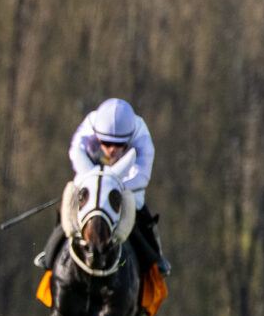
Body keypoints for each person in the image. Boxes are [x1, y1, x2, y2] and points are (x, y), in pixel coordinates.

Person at [36, 97, 170, 276]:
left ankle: (155, 258)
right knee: (71, 205)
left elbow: (142, 176)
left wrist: (113, 186)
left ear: (129, 138)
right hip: (90, 178)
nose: (112, 149)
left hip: (126, 186)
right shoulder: (91, 123)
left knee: (137, 211)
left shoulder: (141, 134)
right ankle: (51, 252)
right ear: (98, 136)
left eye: (119, 144)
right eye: (106, 143)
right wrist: (95, 181)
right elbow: (76, 152)